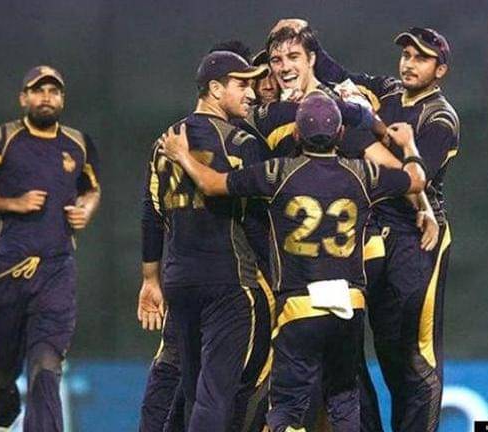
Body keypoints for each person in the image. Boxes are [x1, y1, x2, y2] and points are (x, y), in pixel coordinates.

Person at [160, 93, 426, 432]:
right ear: (340, 133)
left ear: (297, 134)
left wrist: (182, 155)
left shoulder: (279, 172)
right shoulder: (362, 173)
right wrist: (409, 145)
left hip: (299, 306)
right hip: (349, 306)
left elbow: (212, 185)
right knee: (344, 399)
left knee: (287, 407)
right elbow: (417, 179)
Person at [280, 20, 459, 432]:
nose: (409, 63)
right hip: (374, 231)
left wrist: (375, 139)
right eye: (406, 55)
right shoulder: (388, 91)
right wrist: (306, 35)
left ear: (441, 70)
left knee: (411, 356)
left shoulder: (440, 118)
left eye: (421, 58)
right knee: (349, 340)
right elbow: (339, 76)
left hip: (417, 236)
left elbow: (415, 179)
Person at [0, 65, 101, 432]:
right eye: (38, 90)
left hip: (56, 269)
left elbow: (92, 189)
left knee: (46, 364)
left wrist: (85, 209)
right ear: (24, 98)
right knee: (3, 371)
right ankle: (1, 422)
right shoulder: (0, 140)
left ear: (62, 99)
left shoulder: (78, 143)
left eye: (54, 91)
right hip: (6, 268)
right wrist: (12, 204)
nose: (46, 97)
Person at [139, 50, 270, 432]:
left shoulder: (165, 143)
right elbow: (256, 222)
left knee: (194, 390)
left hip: (179, 283)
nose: (251, 94)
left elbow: (151, 213)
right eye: (242, 84)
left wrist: (150, 280)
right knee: (216, 395)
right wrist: (279, 279)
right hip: (228, 282)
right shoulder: (241, 143)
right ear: (214, 88)